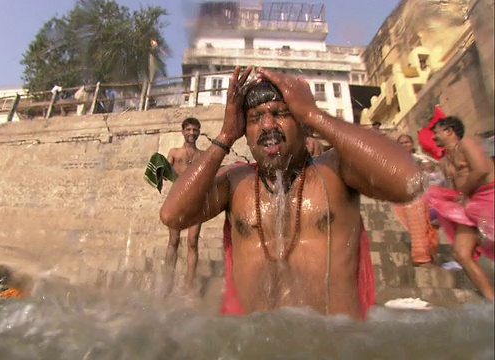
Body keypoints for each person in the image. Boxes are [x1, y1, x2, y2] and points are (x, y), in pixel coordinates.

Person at [160, 66, 421, 320]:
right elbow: (173, 215)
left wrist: (314, 114)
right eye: (254, 118)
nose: (267, 125)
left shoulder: (334, 171)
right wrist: (226, 135)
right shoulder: (235, 181)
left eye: (280, 113)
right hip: (256, 343)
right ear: (244, 132)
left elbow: (409, 181)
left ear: (302, 124)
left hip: (333, 345)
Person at [422, 116, 494, 301]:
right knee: (461, 253)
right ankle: (491, 300)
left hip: (489, 198)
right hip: (470, 206)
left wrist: (462, 193)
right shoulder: (445, 162)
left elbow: (481, 170)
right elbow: (452, 188)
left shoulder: (468, 143)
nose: (434, 137)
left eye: (436, 132)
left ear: (449, 131)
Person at [163, 117, 205, 296]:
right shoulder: (174, 153)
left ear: (199, 132)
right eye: (188, 130)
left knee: (193, 241)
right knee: (173, 240)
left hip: (196, 201)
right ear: (182, 132)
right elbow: (164, 173)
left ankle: (189, 285)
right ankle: (168, 282)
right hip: (177, 199)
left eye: (195, 130)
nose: (192, 133)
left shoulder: (203, 155)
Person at [392, 134, 439, 266]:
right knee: (418, 228)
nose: (405, 145)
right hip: (410, 199)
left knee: (431, 228)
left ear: (412, 143)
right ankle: (421, 258)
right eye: (401, 143)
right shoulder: (396, 160)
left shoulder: (422, 157)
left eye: (407, 142)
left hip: (428, 197)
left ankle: (431, 256)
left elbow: (435, 171)